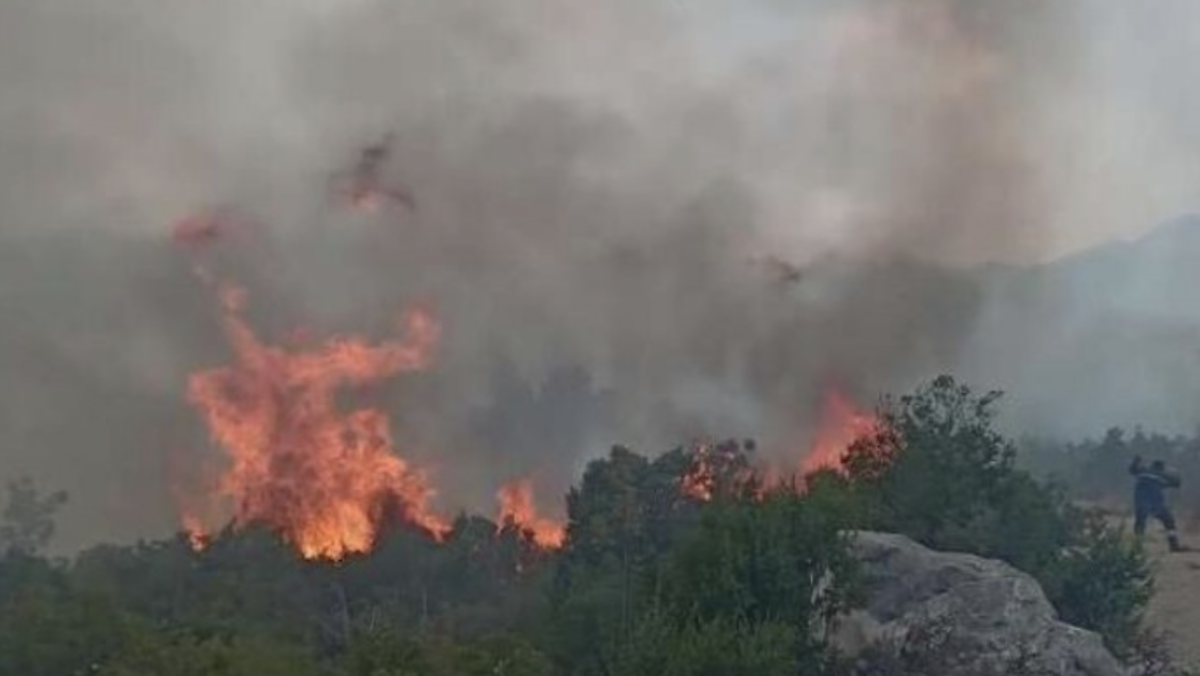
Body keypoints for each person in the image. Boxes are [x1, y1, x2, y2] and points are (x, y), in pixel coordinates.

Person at [1130, 455, 1184, 552]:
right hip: (1157, 505)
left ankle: (1137, 547)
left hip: (1141, 504)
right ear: (1162, 468)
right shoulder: (1163, 476)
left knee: (1140, 525)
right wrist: (1176, 473)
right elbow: (1176, 483)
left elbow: (1132, 470)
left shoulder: (1142, 471)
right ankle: (1174, 545)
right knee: (1169, 522)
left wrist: (1136, 461)